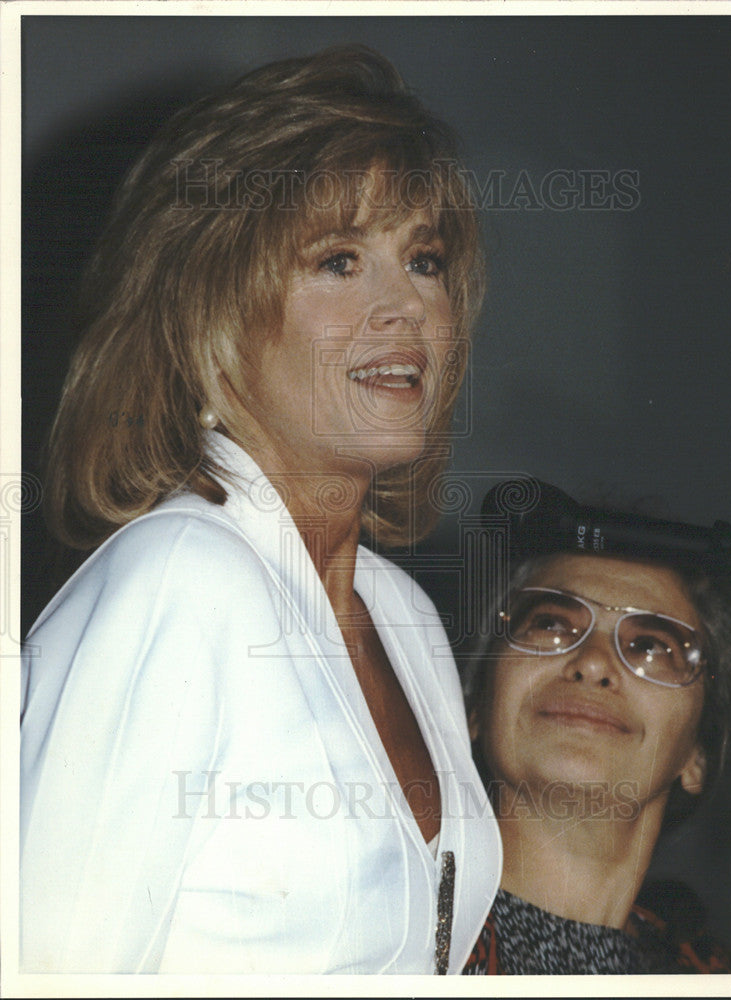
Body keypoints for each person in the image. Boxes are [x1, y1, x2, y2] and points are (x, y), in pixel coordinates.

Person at [20, 45, 501, 974]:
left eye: (426, 262)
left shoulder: (408, 619)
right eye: (340, 260)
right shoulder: (176, 580)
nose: (402, 308)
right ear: (215, 312)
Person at [461, 544, 731, 974]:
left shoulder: (715, 977)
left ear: (697, 755)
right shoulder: (384, 934)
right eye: (551, 624)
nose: (593, 663)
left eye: (650, 645)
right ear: (476, 708)